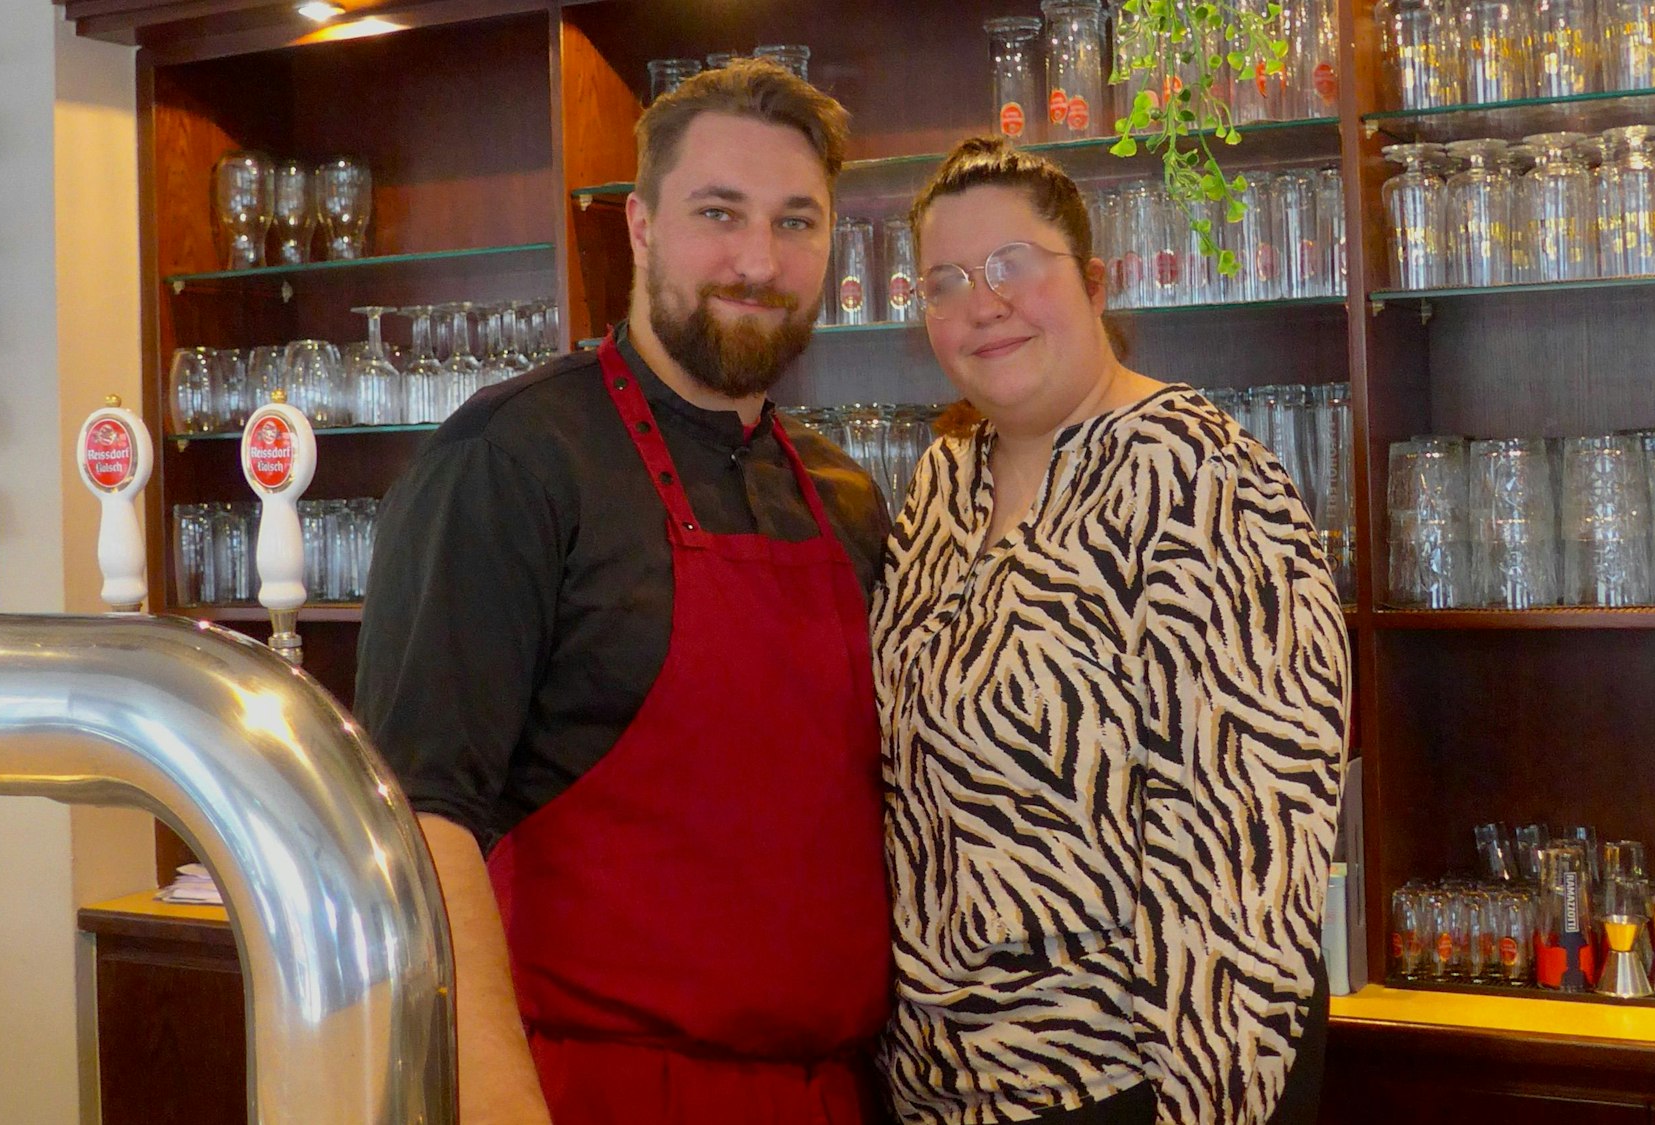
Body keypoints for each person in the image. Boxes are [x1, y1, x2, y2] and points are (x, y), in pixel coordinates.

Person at [354, 60, 893, 1125]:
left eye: (796, 222)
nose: (758, 259)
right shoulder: (511, 460)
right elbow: (420, 812)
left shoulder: (842, 494)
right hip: (589, 1089)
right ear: (639, 227)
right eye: (717, 214)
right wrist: (498, 1101)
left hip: (833, 1093)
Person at [871, 137, 1349, 1125]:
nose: (982, 303)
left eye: (1012, 265)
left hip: (1118, 1088)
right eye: (945, 281)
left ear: (1092, 281)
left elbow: (1246, 869)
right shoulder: (939, 487)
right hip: (936, 1090)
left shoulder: (1201, 482)